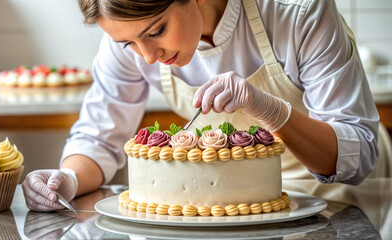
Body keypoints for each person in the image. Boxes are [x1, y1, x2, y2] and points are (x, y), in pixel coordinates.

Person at [22, 0, 385, 212]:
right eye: (129, 44)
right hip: (230, 206)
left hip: (334, 193)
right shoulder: (129, 43)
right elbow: (99, 139)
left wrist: (273, 112)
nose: (148, 57)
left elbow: (357, 155)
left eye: (156, 31)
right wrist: (67, 180)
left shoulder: (297, 12)